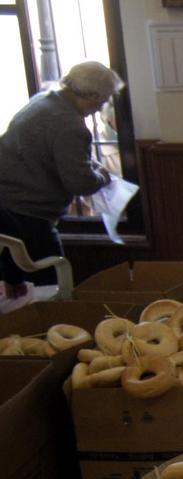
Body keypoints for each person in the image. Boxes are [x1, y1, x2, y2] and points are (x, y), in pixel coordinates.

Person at [0, 61, 123, 301]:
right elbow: (80, 184)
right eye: (104, 99)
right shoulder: (70, 125)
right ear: (93, 95)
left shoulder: (42, 101)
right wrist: (103, 176)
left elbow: (50, 155)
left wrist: (89, 165)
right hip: (28, 211)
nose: (102, 106)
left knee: (16, 276)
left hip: (5, 202)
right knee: (51, 286)